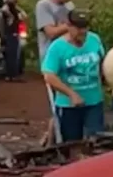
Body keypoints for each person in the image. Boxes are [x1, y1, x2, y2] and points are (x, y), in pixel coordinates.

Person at [41, 10, 106, 142]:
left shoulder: (94, 40)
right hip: (69, 105)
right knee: (71, 143)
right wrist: (71, 94)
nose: (82, 31)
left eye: (85, 27)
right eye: (78, 27)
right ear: (68, 26)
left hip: (94, 102)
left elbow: (101, 61)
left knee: (97, 139)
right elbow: (49, 75)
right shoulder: (57, 47)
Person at [35, 0, 77, 146]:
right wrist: (68, 25)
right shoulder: (44, 6)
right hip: (51, 61)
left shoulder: (70, 8)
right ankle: (53, 140)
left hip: (68, 59)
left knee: (64, 102)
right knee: (57, 103)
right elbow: (50, 32)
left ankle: (49, 139)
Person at [1, 0, 26, 82]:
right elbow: (6, 11)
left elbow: (23, 15)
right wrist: (12, 16)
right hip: (11, 33)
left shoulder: (14, 7)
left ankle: (12, 74)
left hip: (14, 32)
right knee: (12, 55)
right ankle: (12, 75)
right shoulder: (8, 7)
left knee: (14, 54)